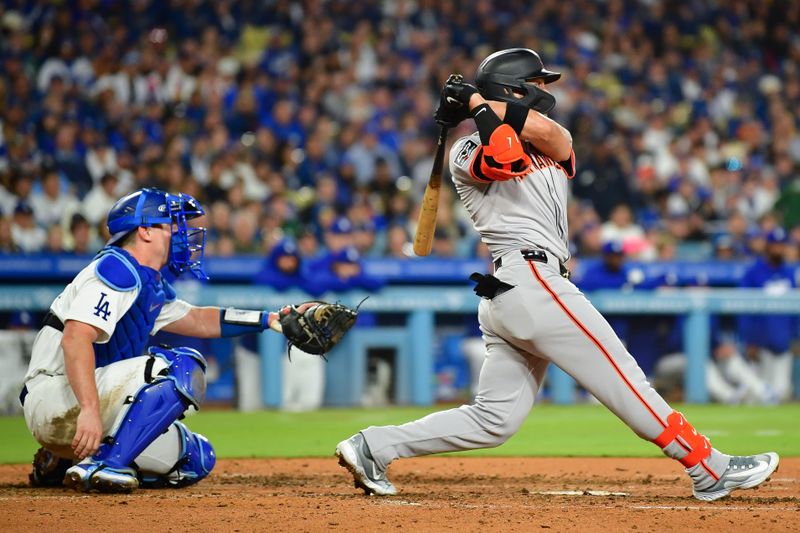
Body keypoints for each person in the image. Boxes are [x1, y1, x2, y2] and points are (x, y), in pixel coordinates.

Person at [335, 48, 779, 502]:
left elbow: (551, 136)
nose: (546, 90)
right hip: (529, 281)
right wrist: (475, 107)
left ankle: (373, 446)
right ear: (515, 86)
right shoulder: (464, 149)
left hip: (521, 290)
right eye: (539, 82)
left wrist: (477, 102)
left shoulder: (550, 140)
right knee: (624, 376)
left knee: (494, 421)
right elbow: (503, 158)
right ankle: (707, 466)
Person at [19, 188, 308, 493]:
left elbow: (198, 319)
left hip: (81, 407)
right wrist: (89, 409)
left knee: (194, 458)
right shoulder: (117, 269)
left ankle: (61, 462)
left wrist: (270, 320)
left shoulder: (148, 282)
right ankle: (106, 464)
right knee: (182, 367)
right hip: (57, 397)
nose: (180, 233)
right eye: (170, 224)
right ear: (144, 231)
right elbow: (76, 339)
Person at [737, 227, 798, 401]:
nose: (778, 249)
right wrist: (749, 340)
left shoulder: (790, 273)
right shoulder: (753, 272)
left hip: (784, 343)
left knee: (782, 393)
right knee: (760, 395)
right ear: (768, 246)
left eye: (781, 245)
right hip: (761, 344)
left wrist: (796, 336)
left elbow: (795, 310)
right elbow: (744, 308)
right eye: (775, 245)